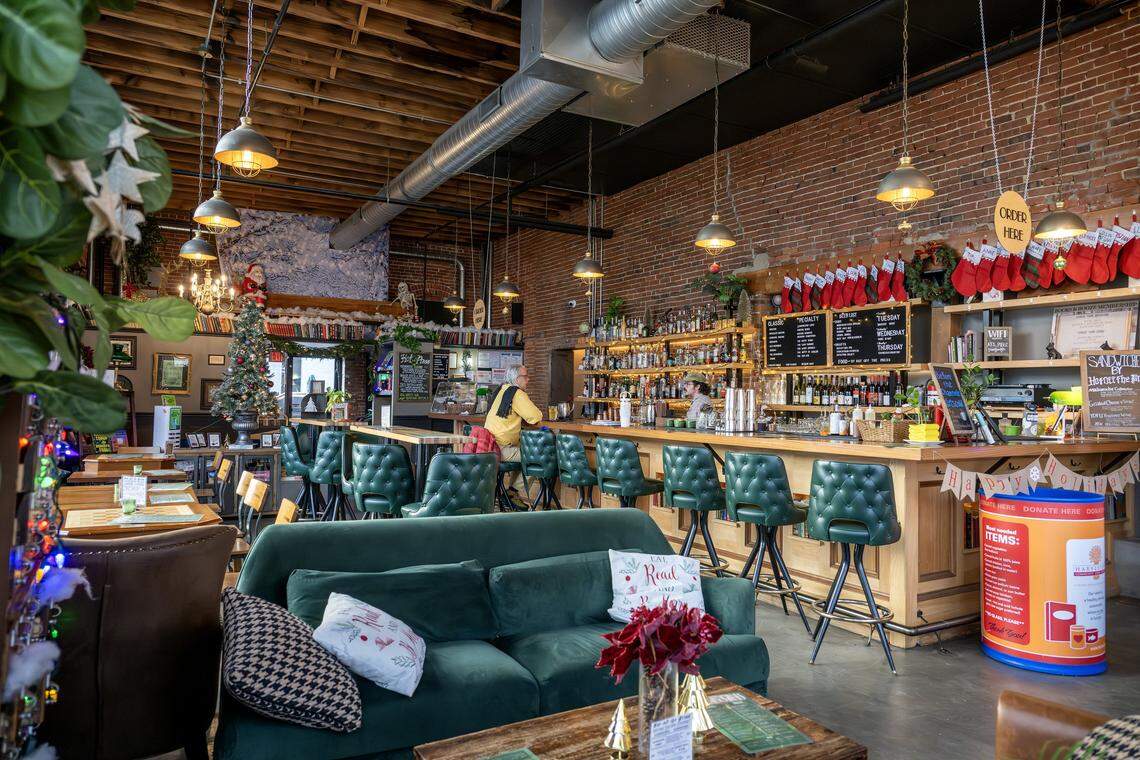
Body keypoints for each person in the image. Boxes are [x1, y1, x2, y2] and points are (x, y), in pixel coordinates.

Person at [485, 364, 542, 491]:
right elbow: (535, 417)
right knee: (537, 456)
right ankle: (513, 492)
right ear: (517, 379)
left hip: (490, 447)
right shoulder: (517, 393)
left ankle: (511, 494)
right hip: (501, 449)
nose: (528, 379)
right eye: (525, 377)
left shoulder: (501, 390)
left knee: (524, 453)